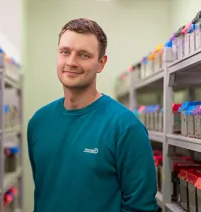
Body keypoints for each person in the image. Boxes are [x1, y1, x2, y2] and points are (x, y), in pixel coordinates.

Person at [27, 18, 159, 212]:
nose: (71, 62)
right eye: (65, 52)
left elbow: (141, 207)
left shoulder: (125, 127)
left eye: (83, 55)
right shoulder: (38, 122)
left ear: (101, 63)